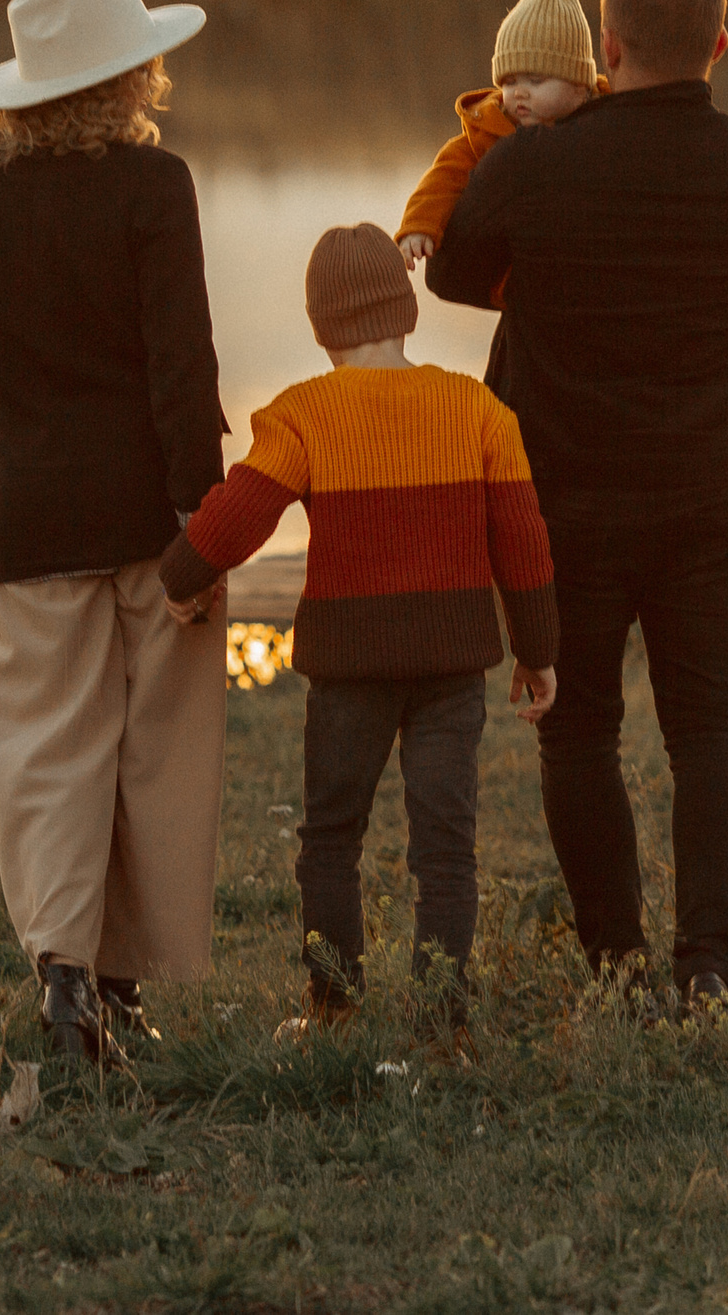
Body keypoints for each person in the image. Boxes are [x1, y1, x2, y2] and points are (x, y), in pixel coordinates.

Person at [426, 0, 728, 1011]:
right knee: (709, 725)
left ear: (606, 51)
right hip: (711, 493)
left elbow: (447, 269)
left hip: (564, 496)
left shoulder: (533, 164)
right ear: (716, 46)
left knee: (577, 730)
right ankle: (706, 962)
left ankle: (616, 965)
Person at [0, 0, 230, 1066]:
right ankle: (120, 977)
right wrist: (202, 509)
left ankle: (64, 978)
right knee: (157, 746)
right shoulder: (155, 187)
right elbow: (178, 362)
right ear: (129, 71)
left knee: (46, 745)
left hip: (33, 514)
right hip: (153, 514)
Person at [155, 224, 558, 1053]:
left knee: (331, 836)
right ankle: (444, 1021)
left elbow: (236, 518)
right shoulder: (478, 407)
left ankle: (334, 1005)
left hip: (348, 672)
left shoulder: (303, 415)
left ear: (317, 325)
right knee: (445, 844)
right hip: (452, 668)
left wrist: (178, 575)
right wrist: (538, 647)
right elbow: (523, 537)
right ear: (406, 312)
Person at [394, 0, 608, 280]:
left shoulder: (608, 122)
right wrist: (419, 226)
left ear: (579, 85)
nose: (519, 92)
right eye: (509, 82)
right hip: (518, 280)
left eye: (536, 80)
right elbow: (441, 181)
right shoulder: (486, 133)